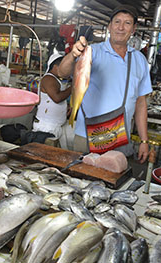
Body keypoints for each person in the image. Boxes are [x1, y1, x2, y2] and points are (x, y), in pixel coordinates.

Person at [58, 4, 152, 163]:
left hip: (121, 137)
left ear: (134, 29)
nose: (121, 27)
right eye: (117, 22)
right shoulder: (91, 51)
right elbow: (62, 72)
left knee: (114, 180)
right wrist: (73, 54)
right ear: (109, 26)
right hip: (88, 134)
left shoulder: (139, 59)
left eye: (127, 23)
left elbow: (141, 103)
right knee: (82, 181)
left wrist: (144, 140)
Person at [32, 53, 72, 142]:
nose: (67, 70)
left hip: (53, 126)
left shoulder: (55, 79)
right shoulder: (48, 79)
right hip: (46, 127)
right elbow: (57, 98)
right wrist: (74, 87)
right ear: (55, 67)